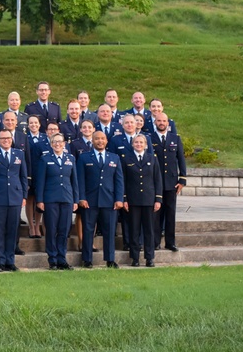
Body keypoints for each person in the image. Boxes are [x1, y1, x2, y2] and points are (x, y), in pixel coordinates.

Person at [76, 131, 123, 269]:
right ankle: (87, 259)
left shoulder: (114, 158)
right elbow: (80, 180)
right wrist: (82, 198)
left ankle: (110, 259)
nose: (100, 141)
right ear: (93, 141)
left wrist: (119, 199)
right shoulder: (84, 158)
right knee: (88, 230)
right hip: (90, 201)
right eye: (97, 139)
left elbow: (119, 180)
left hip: (109, 201)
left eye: (102, 139)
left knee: (109, 231)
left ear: (106, 141)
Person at [0, 129, 28, 272]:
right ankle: (0, 262)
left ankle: (10, 261)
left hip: (15, 197)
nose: (6, 140)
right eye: (3, 138)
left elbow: (23, 176)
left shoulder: (19, 154)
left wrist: (24, 196)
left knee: (13, 230)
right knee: (0, 230)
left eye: (8, 138)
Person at [35, 134, 78, 270]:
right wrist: (40, 200)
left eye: (60, 142)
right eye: (54, 142)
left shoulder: (70, 158)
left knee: (64, 230)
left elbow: (74, 181)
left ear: (64, 143)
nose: (57, 144)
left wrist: (75, 200)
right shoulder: (45, 159)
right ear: (51, 144)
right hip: (50, 199)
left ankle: (62, 258)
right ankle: (52, 259)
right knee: (52, 229)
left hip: (67, 198)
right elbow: (40, 181)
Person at [122, 134, 163, 267]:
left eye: (141, 142)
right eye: (136, 142)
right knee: (134, 230)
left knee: (149, 230)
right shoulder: (126, 159)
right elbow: (123, 180)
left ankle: (149, 258)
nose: (139, 144)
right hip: (133, 200)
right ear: (132, 144)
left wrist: (158, 199)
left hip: (149, 200)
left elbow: (157, 179)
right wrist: (124, 198)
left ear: (146, 145)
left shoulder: (152, 158)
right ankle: (135, 258)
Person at [151, 112, 186, 252]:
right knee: (156, 214)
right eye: (159, 120)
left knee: (171, 213)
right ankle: (155, 242)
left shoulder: (175, 138)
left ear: (168, 123)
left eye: (164, 121)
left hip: (171, 182)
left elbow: (181, 159)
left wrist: (182, 179)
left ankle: (170, 242)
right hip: (155, 183)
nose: (161, 123)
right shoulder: (149, 138)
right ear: (155, 122)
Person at [25, 114, 48, 239]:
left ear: (39, 124)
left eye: (36, 123)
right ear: (28, 125)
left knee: (39, 200)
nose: (34, 125)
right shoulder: (24, 138)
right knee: (30, 199)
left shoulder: (45, 138)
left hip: (42, 174)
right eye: (31, 123)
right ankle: (31, 226)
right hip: (29, 173)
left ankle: (37, 225)